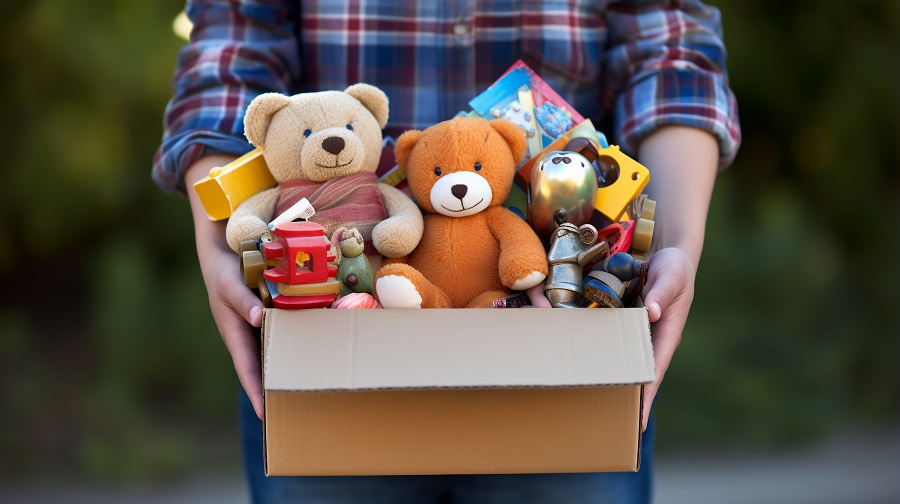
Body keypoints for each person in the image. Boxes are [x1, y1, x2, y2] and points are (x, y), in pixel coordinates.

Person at [153, 1, 740, 502]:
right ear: (405, 152)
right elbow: (231, 51)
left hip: (560, 358)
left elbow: (671, 52)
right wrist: (224, 248)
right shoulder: (380, 194)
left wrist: (677, 244)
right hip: (331, 361)